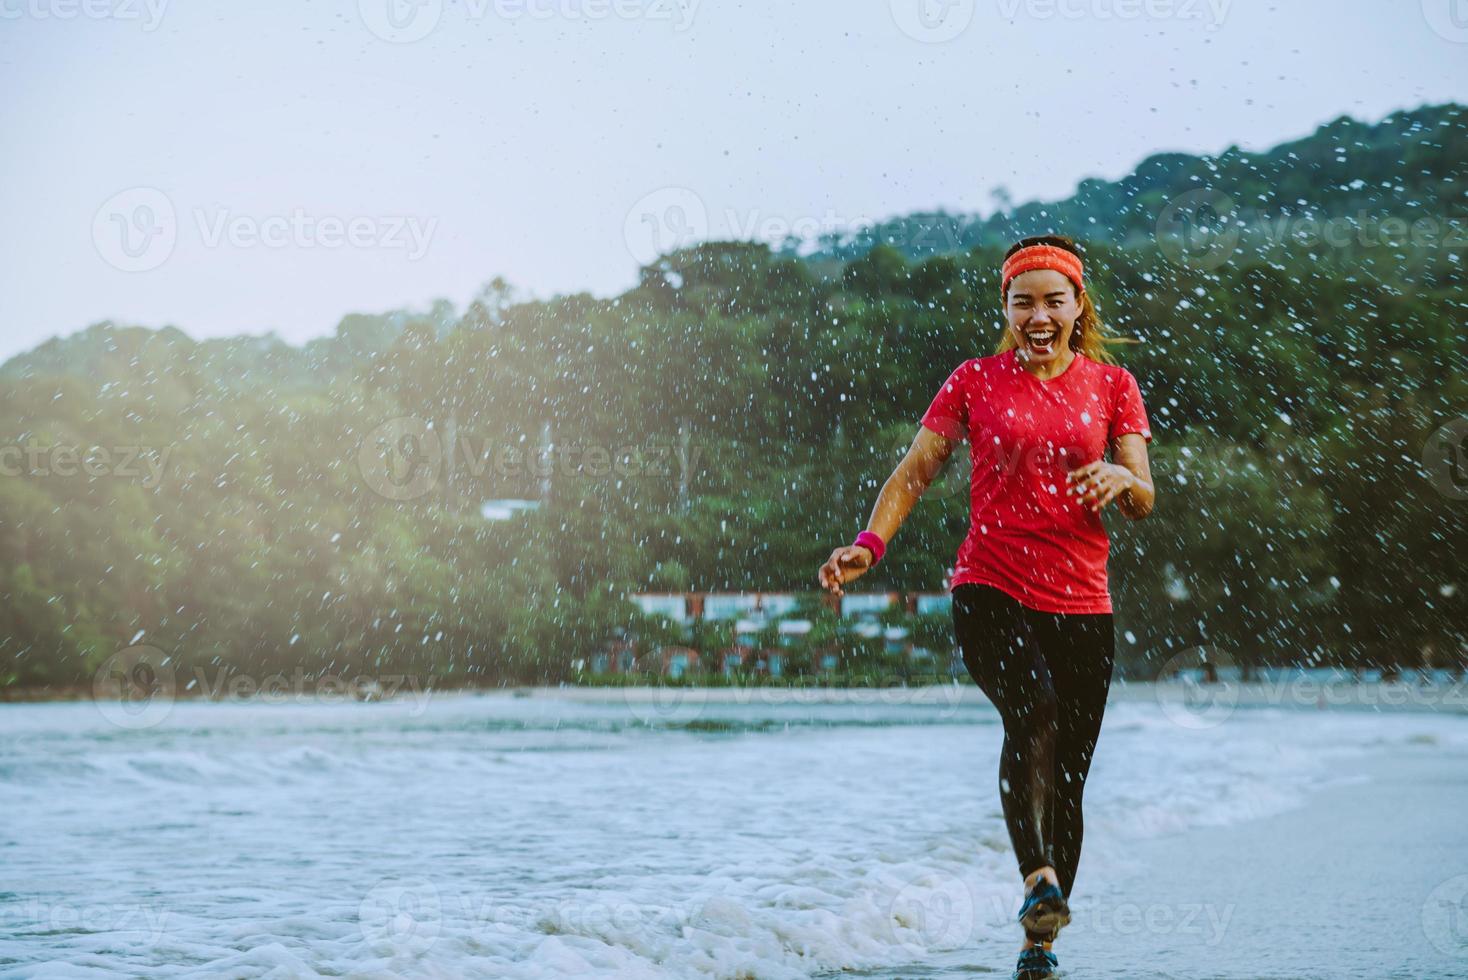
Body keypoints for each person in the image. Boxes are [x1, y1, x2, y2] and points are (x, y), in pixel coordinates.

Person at [817, 235, 1155, 980]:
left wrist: (1117, 480)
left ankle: (1042, 935)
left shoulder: (1112, 385)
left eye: (1053, 299)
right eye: (1022, 300)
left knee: (1070, 773)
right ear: (1004, 307)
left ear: (1077, 307)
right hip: (990, 585)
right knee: (1032, 711)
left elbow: (1144, 495)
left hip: (1082, 601)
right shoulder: (974, 381)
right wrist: (868, 545)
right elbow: (914, 474)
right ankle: (1035, 877)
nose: (1038, 313)